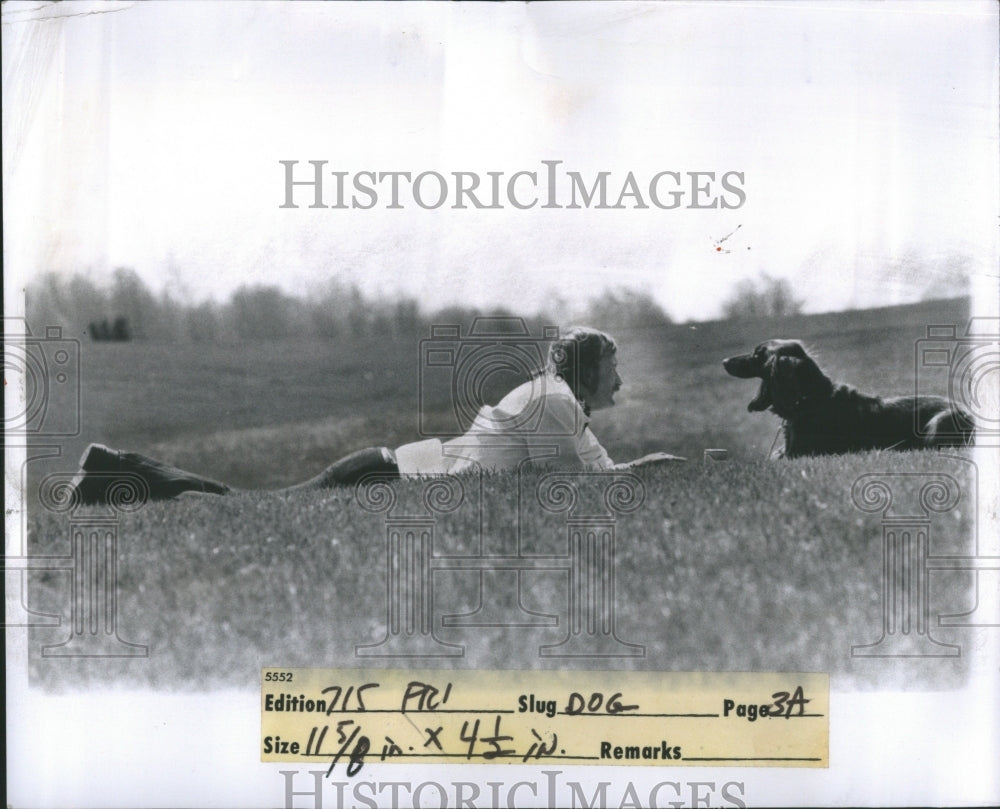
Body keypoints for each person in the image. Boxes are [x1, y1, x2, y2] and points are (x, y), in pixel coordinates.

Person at [68, 326, 683, 505]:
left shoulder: (560, 402)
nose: (622, 379)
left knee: (244, 503)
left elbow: (597, 470)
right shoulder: (553, 400)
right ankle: (114, 468)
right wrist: (634, 475)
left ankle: (111, 474)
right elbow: (572, 483)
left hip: (391, 471)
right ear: (587, 370)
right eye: (614, 366)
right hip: (385, 477)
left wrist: (640, 469)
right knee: (243, 504)